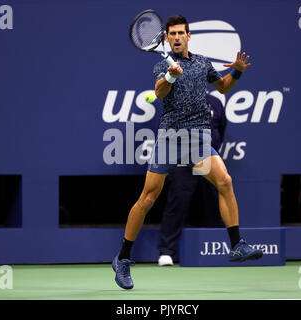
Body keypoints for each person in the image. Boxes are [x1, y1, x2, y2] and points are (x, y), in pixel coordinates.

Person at [112, 15, 263, 290]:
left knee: (225, 182)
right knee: (147, 198)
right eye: (173, 34)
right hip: (170, 139)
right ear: (167, 38)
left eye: (182, 33)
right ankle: (122, 259)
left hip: (199, 141)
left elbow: (223, 87)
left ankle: (237, 244)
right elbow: (159, 92)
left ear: (189, 36)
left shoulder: (204, 63)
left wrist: (238, 71)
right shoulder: (161, 65)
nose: (178, 37)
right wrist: (171, 75)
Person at [158, 92, 226, 266]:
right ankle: (167, 251)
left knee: (213, 201)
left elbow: (221, 128)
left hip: (207, 159)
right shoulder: (177, 100)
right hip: (183, 159)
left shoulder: (215, 102)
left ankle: (217, 247)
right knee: (177, 203)